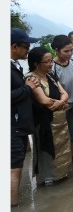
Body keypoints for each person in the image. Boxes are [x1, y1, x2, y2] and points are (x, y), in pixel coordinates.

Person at [27, 47, 72, 184]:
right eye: (46, 62)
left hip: (60, 121)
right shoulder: (31, 78)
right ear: (36, 64)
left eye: (51, 61)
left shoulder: (51, 76)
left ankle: (61, 174)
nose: (50, 64)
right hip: (44, 121)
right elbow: (44, 100)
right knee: (46, 147)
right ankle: (48, 177)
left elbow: (65, 93)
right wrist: (62, 103)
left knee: (61, 148)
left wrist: (60, 102)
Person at [11, 28, 40, 207]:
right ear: (14, 46)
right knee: (13, 166)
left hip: (18, 124)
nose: (28, 50)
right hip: (11, 124)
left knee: (17, 163)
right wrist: (27, 88)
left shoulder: (15, 65)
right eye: (25, 46)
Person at [51, 35, 73, 163]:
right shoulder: (52, 67)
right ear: (57, 51)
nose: (70, 54)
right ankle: (61, 162)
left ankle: (72, 160)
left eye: (71, 50)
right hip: (61, 107)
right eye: (66, 51)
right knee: (60, 137)